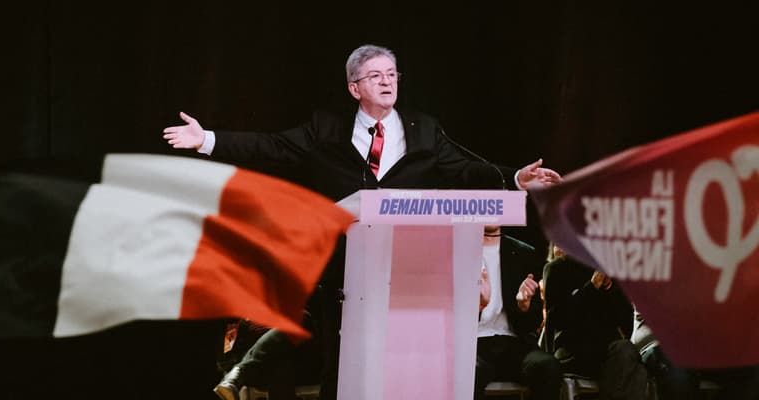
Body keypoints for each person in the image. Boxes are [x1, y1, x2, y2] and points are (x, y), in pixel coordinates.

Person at [163, 44, 562, 400]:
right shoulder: (327, 129)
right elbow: (274, 147)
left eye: (392, 74)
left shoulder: (423, 128)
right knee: (341, 371)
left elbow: (465, 167)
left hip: (408, 270)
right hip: (344, 271)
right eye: (376, 76)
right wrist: (207, 140)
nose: (387, 82)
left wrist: (515, 178)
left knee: (403, 373)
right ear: (355, 88)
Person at [542, 244, 647, 399]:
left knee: (632, 360)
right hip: (573, 350)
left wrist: (610, 288)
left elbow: (626, 323)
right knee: (630, 365)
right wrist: (592, 287)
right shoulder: (557, 268)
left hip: (608, 351)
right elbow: (556, 319)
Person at [474, 226, 561, 400]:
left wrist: (524, 306)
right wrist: (477, 307)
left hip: (514, 343)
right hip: (474, 344)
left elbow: (534, 320)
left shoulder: (523, 253)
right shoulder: (457, 252)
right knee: (467, 372)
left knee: (547, 366)